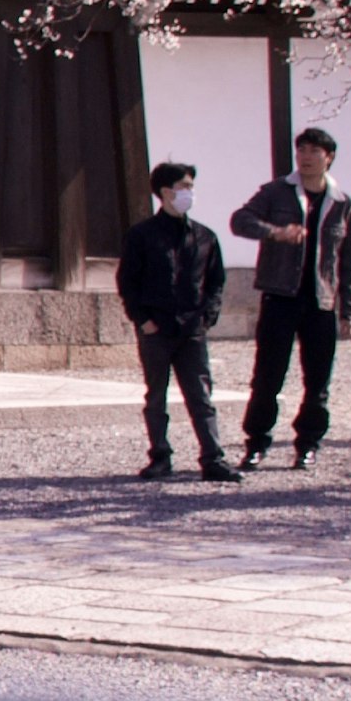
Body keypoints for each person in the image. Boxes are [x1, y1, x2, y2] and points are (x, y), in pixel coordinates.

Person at [230, 125, 351, 471]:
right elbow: (239, 221)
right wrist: (274, 232)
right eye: (301, 150)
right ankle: (256, 443)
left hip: (321, 302)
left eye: (314, 152)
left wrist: (349, 309)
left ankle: (308, 444)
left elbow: (350, 261)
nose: (305, 157)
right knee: (268, 376)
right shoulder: (276, 192)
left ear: (328, 158)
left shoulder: (343, 204)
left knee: (317, 381)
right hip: (279, 296)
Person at [116, 157, 232, 482]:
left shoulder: (204, 237)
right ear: (166, 192)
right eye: (184, 186)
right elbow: (128, 282)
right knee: (156, 395)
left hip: (192, 329)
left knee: (201, 395)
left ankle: (213, 458)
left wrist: (207, 317)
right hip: (156, 328)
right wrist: (142, 319)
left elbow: (216, 281)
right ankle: (160, 456)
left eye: (191, 186)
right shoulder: (142, 236)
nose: (189, 192)